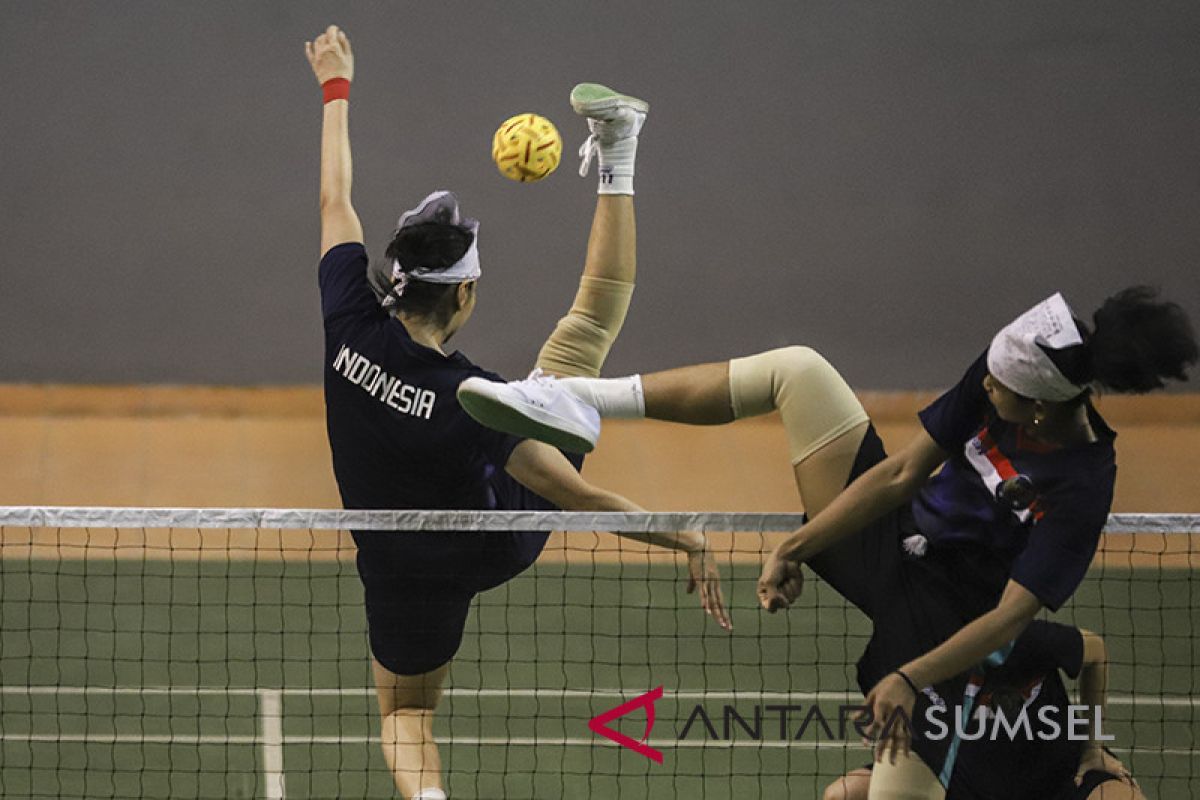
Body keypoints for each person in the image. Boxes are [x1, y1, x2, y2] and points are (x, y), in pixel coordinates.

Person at [458, 285, 1196, 797]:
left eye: (1000, 397)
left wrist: (909, 679)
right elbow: (904, 472)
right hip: (894, 540)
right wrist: (798, 546)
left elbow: (1007, 620)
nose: (985, 394)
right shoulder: (1019, 359)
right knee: (801, 371)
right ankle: (574, 399)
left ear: (1038, 410)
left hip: (945, 633)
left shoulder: (1081, 486)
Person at [304, 25, 729, 800]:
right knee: (589, 327)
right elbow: (581, 500)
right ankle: (621, 150)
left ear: (398, 279)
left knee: (404, 718)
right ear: (465, 293)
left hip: (399, 564)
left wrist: (336, 86)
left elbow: (337, 197)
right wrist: (685, 537)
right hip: (495, 535)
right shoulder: (476, 401)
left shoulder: (347, 322)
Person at [823, 622, 1147, 800]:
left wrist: (1091, 748)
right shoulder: (917, 650)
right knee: (841, 795)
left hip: (1056, 775)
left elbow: (1096, 652)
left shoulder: (1023, 641)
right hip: (965, 777)